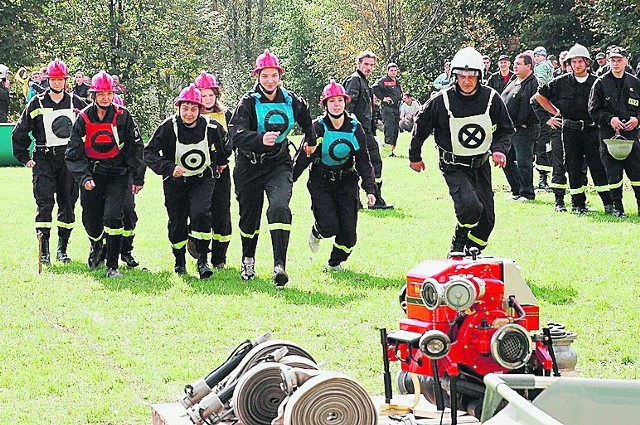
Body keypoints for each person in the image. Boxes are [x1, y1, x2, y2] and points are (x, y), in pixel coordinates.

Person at [409, 47, 514, 255]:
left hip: (480, 164)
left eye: (472, 76)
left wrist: (499, 150)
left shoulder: (492, 99)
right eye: (462, 76)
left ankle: (470, 253)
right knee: (470, 207)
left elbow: (505, 129)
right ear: (454, 76)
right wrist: (415, 156)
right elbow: (420, 127)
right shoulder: (441, 100)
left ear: (479, 76)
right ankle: (457, 244)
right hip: (453, 165)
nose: (466, 81)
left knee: (487, 221)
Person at [228, 49, 316, 285]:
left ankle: (279, 265)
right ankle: (248, 260)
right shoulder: (247, 102)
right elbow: (235, 135)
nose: (270, 80)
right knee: (249, 217)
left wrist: (311, 141)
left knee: (279, 207)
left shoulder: (291, 99)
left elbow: (307, 118)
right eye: (265, 76)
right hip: (249, 165)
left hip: (279, 163)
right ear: (257, 76)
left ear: (280, 75)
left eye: (273, 75)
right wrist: (259, 139)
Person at [145, 84, 229, 278]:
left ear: (200, 109)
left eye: (193, 109)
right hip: (175, 182)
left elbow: (225, 144)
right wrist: (168, 168)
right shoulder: (168, 127)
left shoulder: (211, 126)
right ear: (178, 108)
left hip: (202, 178)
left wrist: (222, 162)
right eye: (185, 108)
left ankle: (202, 260)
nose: (189, 114)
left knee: (201, 213)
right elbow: (148, 153)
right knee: (177, 221)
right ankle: (179, 261)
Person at [65, 70, 144, 277]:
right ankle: (96, 246)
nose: (106, 98)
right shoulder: (83, 118)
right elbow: (73, 154)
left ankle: (112, 265)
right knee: (91, 220)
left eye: (109, 94)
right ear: (93, 95)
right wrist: (84, 177)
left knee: (112, 217)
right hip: (92, 176)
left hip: (118, 175)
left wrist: (138, 177)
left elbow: (135, 148)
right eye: (101, 94)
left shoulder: (123, 116)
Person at [292, 80, 376, 271]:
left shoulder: (355, 128)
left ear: (345, 102)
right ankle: (317, 231)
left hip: (347, 182)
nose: (336, 104)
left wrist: (370, 189)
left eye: (340, 100)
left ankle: (335, 262)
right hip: (321, 181)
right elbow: (303, 158)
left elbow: (363, 160)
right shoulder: (317, 128)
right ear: (325, 104)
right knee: (329, 226)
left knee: (349, 234)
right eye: (332, 101)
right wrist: (288, 181)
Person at [12, 59, 86, 265]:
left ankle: (62, 250)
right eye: (53, 79)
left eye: (60, 79)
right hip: (44, 159)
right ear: (48, 80)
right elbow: (19, 132)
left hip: (68, 160)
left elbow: (89, 127)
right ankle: (43, 252)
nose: (57, 83)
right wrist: (25, 157)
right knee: (44, 204)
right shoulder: (36, 103)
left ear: (65, 80)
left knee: (68, 203)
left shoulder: (76, 102)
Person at [536, 44, 613, 215]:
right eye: (573, 62)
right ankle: (578, 204)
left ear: (587, 63)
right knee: (573, 166)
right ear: (568, 64)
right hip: (570, 130)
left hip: (592, 130)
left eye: (580, 61)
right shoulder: (560, 82)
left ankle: (608, 204)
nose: (577, 65)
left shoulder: (597, 83)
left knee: (598, 166)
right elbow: (539, 96)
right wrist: (554, 113)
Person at [589, 46, 640, 217]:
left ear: (626, 61)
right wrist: (609, 119)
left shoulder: (635, 82)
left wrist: (637, 119)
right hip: (609, 135)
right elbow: (593, 109)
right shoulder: (601, 82)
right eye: (612, 60)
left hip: (631, 135)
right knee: (613, 174)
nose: (616, 63)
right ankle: (618, 208)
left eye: (619, 60)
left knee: (636, 172)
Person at [193, 71, 233, 269]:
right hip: (197, 173)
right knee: (199, 211)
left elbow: (233, 141)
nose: (207, 99)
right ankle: (199, 250)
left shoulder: (226, 115)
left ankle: (220, 257)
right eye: (203, 95)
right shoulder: (190, 114)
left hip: (221, 171)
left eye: (211, 95)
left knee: (222, 213)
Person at [344, 50, 393, 209]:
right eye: (366, 64)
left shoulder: (363, 81)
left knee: (360, 165)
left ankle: (357, 200)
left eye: (371, 65)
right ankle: (375, 199)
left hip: (366, 130)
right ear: (358, 64)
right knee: (374, 163)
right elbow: (348, 107)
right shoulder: (355, 81)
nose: (369, 68)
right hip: (359, 131)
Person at [501, 52, 540, 201]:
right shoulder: (514, 80)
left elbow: (529, 105)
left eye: (519, 64)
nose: (515, 66)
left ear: (529, 66)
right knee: (507, 160)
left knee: (523, 162)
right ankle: (516, 190)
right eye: (515, 64)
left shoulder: (532, 83)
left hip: (524, 129)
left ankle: (527, 193)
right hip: (508, 129)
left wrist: (520, 123)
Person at [112, 93, 144, 267]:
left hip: (125, 174)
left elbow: (137, 150)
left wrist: (137, 177)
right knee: (105, 215)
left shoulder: (127, 123)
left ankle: (126, 251)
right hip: (100, 174)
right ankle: (102, 250)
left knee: (128, 212)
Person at [372, 63, 403, 155]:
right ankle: (388, 151)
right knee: (389, 129)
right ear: (387, 71)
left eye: (395, 70)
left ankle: (392, 150)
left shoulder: (397, 81)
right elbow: (374, 87)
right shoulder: (384, 80)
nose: (393, 72)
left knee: (395, 130)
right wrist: (382, 98)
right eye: (391, 70)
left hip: (396, 107)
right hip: (388, 108)